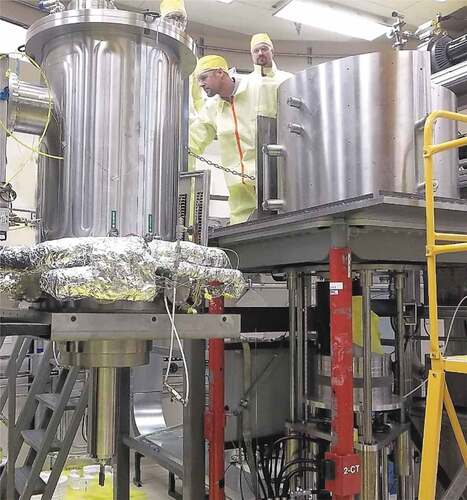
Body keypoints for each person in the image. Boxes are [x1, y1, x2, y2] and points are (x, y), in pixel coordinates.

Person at [189, 55, 259, 225]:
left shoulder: (256, 90)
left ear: (220, 72)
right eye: (198, 80)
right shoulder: (212, 108)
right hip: (239, 198)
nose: (201, 84)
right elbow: (194, 140)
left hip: (268, 188)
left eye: (204, 78)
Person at [248, 33, 293, 119]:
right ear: (252, 55)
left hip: (282, 129)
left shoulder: (288, 79)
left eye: (264, 49)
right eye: (256, 51)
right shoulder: (245, 83)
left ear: (272, 52)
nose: (260, 53)